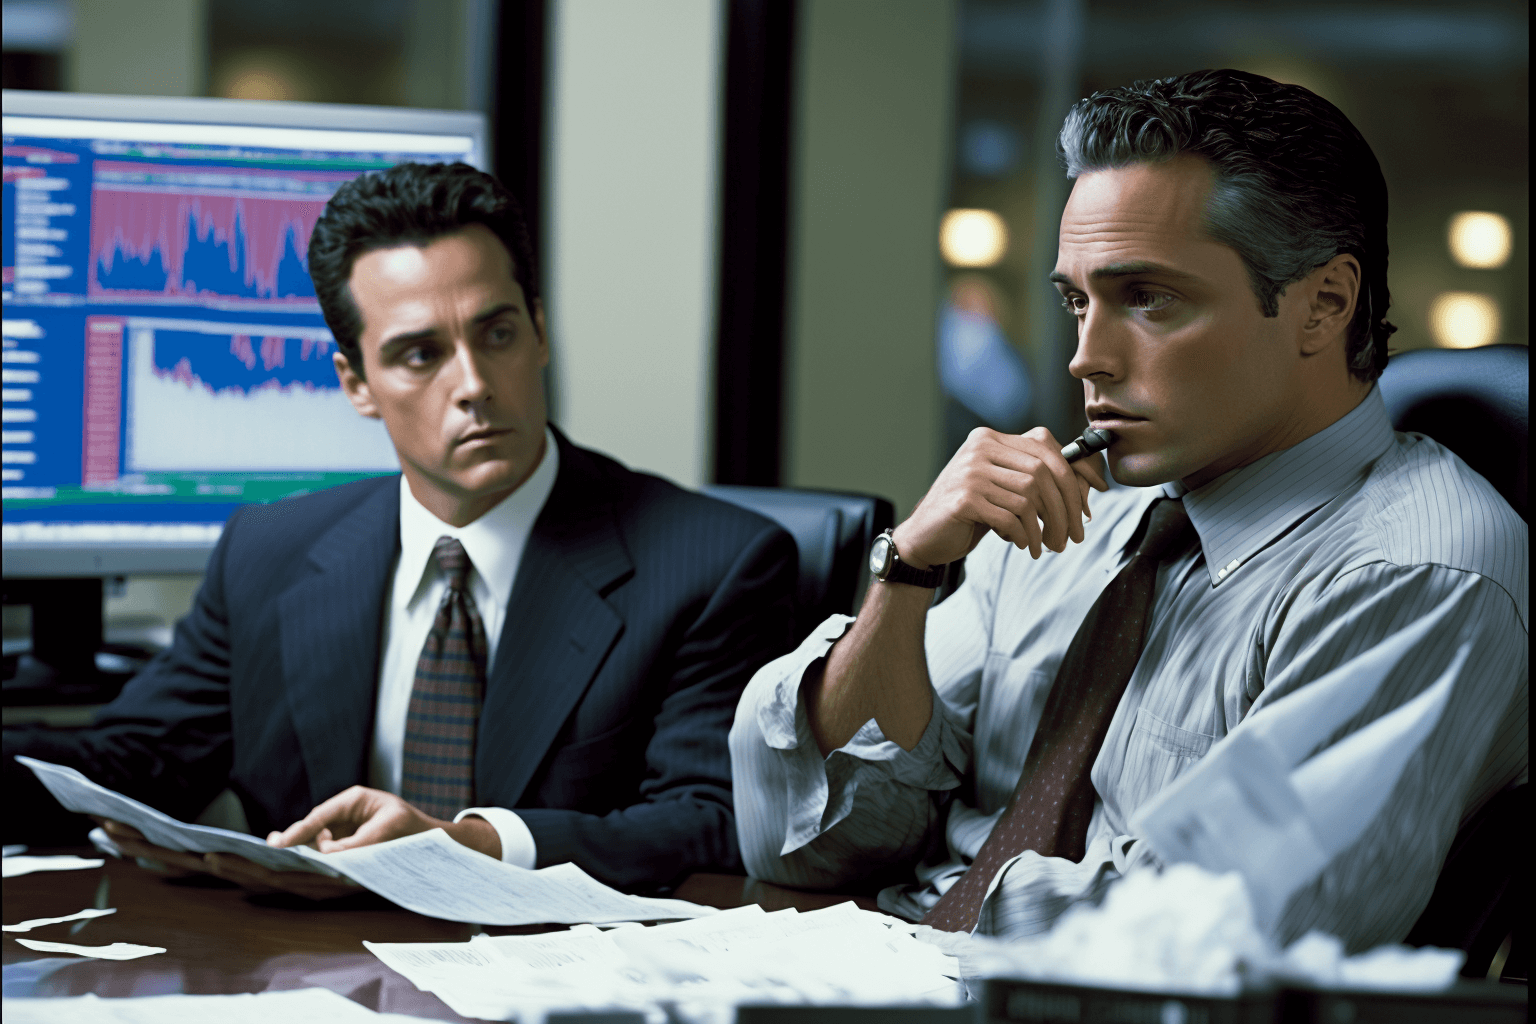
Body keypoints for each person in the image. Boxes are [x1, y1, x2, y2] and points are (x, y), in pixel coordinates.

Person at [729, 70, 1527, 950]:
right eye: (1077, 300)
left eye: (1148, 298)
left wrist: (936, 891)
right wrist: (909, 569)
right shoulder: (1065, 526)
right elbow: (801, 844)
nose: (1085, 358)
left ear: (1324, 305)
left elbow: (1206, 931)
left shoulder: (1416, 573)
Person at [5, 161, 797, 896]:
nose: (475, 385)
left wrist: (461, 845)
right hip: (310, 980)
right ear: (357, 383)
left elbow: (713, 822)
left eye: (497, 333)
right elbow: (134, 763)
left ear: (541, 331)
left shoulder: (714, 563)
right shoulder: (267, 554)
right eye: (421, 355)